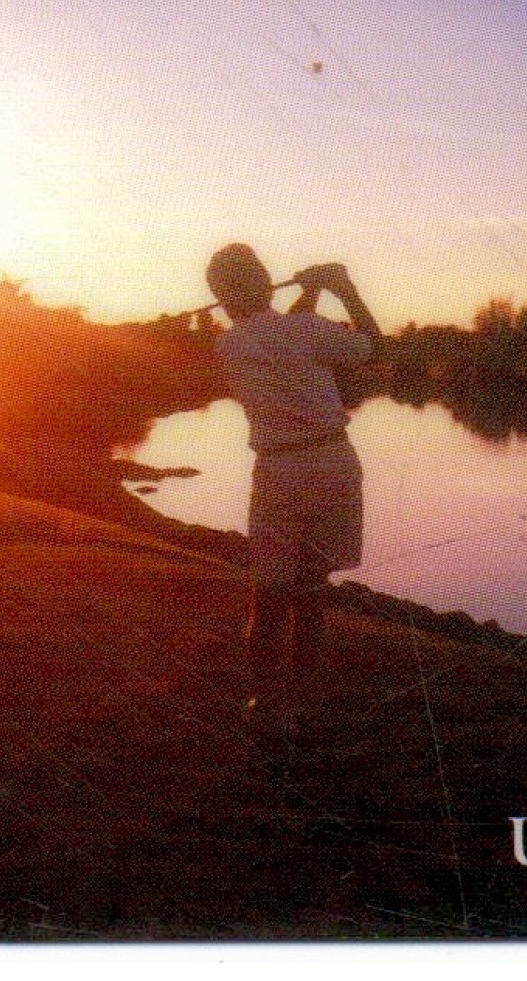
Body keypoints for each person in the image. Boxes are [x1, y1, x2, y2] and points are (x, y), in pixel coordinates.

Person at [205, 242, 382, 740]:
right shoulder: (302, 331)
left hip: (278, 472)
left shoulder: (230, 345)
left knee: (270, 593)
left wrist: (310, 292)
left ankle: (264, 702)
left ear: (221, 298)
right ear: (263, 283)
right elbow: (373, 344)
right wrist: (339, 287)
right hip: (331, 464)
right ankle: (300, 706)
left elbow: (279, 336)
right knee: (309, 593)